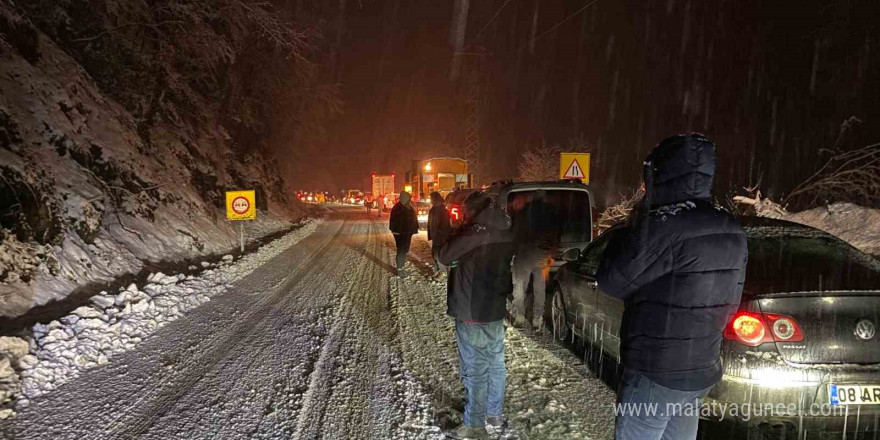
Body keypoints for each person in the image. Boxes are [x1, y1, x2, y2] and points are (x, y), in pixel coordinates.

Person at [596, 133, 748, 440]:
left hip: (656, 370)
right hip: (700, 369)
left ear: (661, 174)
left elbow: (611, 280)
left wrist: (636, 224)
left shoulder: (663, 225)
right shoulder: (730, 226)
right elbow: (731, 303)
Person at [438, 192, 515, 440]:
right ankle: (493, 413)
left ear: (473, 211)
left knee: (474, 369)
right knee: (495, 363)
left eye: (465, 211)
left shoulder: (475, 233)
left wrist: (457, 231)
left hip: (472, 309)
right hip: (494, 308)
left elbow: (444, 255)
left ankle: (474, 424)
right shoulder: (505, 230)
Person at [511, 190, 561, 332]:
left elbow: (514, 234)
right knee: (540, 287)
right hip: (542, 255)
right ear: (544, 199)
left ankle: (519, 316)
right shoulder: (552, 214)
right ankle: (537, 319)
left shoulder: (523, 213)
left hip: (524, 254)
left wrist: (513, 252)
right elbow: (556, 235)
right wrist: (552, 253)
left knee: (520, 285)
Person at [389, 191, 418, 277]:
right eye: (408, 198)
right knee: (401, 250)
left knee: (404, 250)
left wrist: (414, 228)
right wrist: (396, 230)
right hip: (400, 233)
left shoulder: (407, 206)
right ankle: (399, 270)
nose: (409, 200)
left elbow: (412, 218)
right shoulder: (398, 208)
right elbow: (395, 221)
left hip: (407, 232)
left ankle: (401, 268)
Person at [427, 191, 452, 277]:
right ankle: (439, 270)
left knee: (438, 254)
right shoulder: (433, 210)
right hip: (435, 236)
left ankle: (442, 272)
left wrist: (441, 236)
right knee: (434, 254)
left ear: (435, 199)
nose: (430, 200)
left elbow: (445, 225)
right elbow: (430, 223)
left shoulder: (442, 210)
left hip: (441, 237)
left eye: (431, 198)